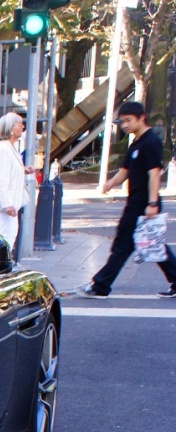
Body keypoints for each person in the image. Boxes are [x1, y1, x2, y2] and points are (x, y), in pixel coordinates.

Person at [81, 101, 176, 298]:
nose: (124, 125)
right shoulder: (135, 143)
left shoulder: (150, 142)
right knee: (153, 245)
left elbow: (154, 175)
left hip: (143, 204)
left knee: (125, 245)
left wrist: (152, 203)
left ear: (141, 118)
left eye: (128, 120)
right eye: (122, 121)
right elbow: (124, 172)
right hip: (135, 202)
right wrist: (109, 183)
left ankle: (101, 286)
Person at [0, 112, 33, 249]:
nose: (22, 126)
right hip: (5, 205)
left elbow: (8, 170)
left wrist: (23, 170)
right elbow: (0, 178)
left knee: (8, 237)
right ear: (10, 128)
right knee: (3, 237)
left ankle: (2, 265)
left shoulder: (9, 148)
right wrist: (7, 204)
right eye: (19, 124)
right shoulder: (3, 149)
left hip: (10, 204)